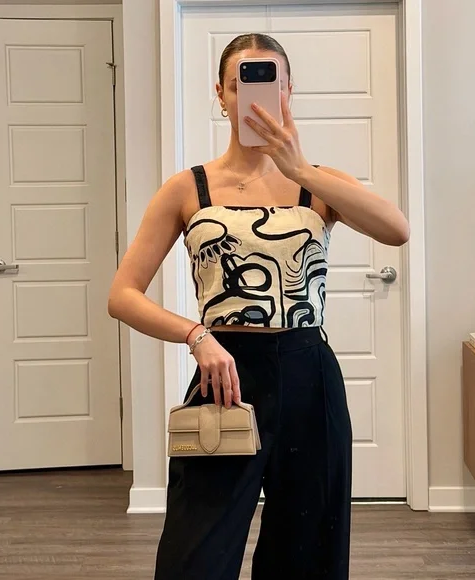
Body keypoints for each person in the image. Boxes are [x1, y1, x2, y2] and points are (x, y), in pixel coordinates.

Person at [108, 33, 409, 580]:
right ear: (221, 95)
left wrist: (301, 171)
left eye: (271, 83)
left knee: (308, 554)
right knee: (195, 557)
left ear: (289, 91)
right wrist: (197, 335)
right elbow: (122, 295)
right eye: (238, 84)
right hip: (223, 377)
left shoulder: (319, 184)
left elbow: (397, 230)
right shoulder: (188, 188)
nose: (253, 97)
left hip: (309, 377)